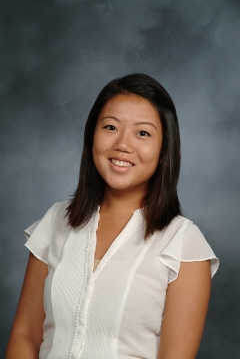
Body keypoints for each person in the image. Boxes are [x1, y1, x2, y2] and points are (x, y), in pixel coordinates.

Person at [6, 73, 219, 359]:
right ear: (92, 135)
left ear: (164, 148)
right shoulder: (56, 221)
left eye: (142, 133)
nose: (122, 144)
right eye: (110, 127)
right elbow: (25, 335)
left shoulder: (184, 244)